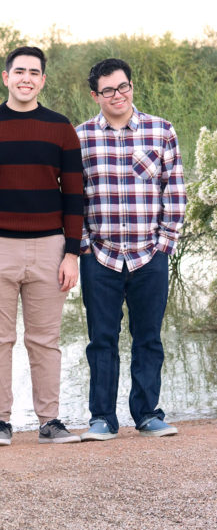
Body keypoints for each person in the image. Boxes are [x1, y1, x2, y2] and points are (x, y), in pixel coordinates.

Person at [0, 46, 83, 445]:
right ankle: (0, 423)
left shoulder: (61, 128)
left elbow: (75, 196)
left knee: (45, 341)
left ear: (43, 80)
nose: (26, 78)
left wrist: (72, 253)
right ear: (6, 77)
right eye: (19, 71)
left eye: (34, 72)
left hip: (50, 248)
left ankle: (49, 421)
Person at [76, 58, 186, 441]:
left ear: (131, 86)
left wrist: (164, 245)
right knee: (101, 339)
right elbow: (74, 198)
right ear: (95, 95)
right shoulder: (81, 137)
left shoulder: (161, 131)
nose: (117, 95)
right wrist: (84, 246)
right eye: (108, 90)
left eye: (123, 87)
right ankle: (102, 418)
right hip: (100, 256)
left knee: (148, 338)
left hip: (149, 254)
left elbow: (174, 191)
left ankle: (148, 414)